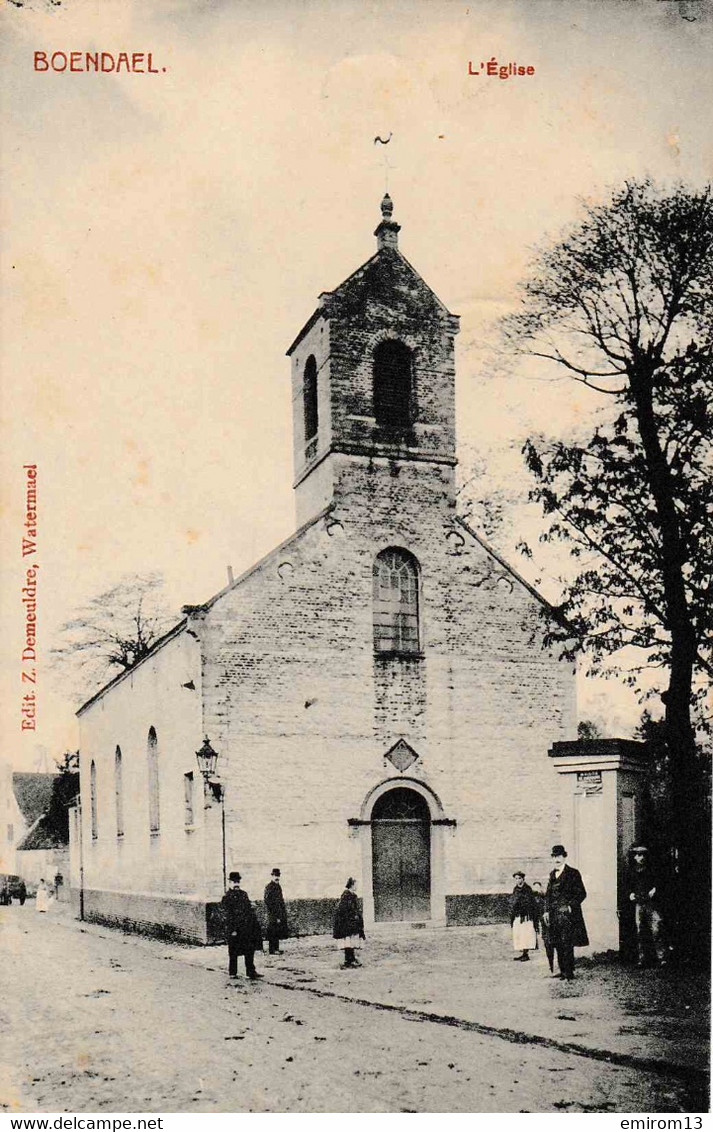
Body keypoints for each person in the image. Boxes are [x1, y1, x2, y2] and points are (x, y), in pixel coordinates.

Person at [544, 845, 588, 980]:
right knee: (556, 942)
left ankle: (569, 972)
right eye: (554, 856)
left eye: (559, 856)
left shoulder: (573, 873)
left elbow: (582, 893)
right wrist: (546, 911)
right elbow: (548, 895)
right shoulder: (552, 874)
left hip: (567, 915)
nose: (557, 859)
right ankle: (562, 970)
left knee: (567, 942)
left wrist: (571, 906)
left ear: (564, 857)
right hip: (554, 914)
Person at [627, 846, 667, 968]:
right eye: (639, 855)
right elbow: (627, 887)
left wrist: (655, 890)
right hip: (639, 904)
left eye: (643, 855)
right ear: (634, 857)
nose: (641, 858)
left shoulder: (653, 870)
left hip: (652, 904)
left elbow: (660, 884)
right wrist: (630, 894)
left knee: (657, 929)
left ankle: (662, 958)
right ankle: (642, 959)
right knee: (640, 931)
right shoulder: (631, 872)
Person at [221, 872, 264, 980]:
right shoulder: (227, 897)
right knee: (233, 952)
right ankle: (232, 972)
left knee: (249, 950)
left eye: (238, 882)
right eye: (234, 882)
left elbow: (248, 910)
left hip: (246, 928)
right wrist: (232, 929)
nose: (236, 884)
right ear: (230, 883)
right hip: (235, 929)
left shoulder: (244, 894)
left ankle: (250, 972)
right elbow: (227, 915)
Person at [333, 877, 365, 968]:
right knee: (348, 941)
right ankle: (349, 960)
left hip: (352, 923)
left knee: (351, 941)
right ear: (352, 885)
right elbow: (345, 910)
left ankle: (352, 958)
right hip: (347, 924)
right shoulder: (346, 896)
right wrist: (352, 917)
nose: (357, 886)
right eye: (356, 885)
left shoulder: (352, 895)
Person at [510, 871, 538, 961]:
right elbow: (513, 900)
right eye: (516, 879)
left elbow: (530, 902)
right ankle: (523, 953)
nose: (518, 880)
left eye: (519, 878)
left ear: (523, 879)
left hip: (526, 916)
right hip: (517, 915)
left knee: (526, 934)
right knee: (519, 933)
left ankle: (526, 954)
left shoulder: (527, 889)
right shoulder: (515, 889)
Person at [264, 867, 288, 955]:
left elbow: (280, 900)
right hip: (273, 913)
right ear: (272, 876)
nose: (277, 877)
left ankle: (276, 948)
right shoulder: (269, 887)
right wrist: (275, 914)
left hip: (279, 912)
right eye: (275, 876)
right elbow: (267, 901)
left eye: (278, 875)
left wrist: (282, 912)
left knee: (277, 931)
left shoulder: (278, 886)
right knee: (272, 931)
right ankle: (272, 949)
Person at [532, 881, 553, 972]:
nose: (537, 890)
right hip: (543, 925)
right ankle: (551, 965)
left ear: (541, 888)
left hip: (550, 924)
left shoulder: (547, 898)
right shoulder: (533, 900)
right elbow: (534, 915)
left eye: (538, 887)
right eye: (535, 888)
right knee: (547, 944)